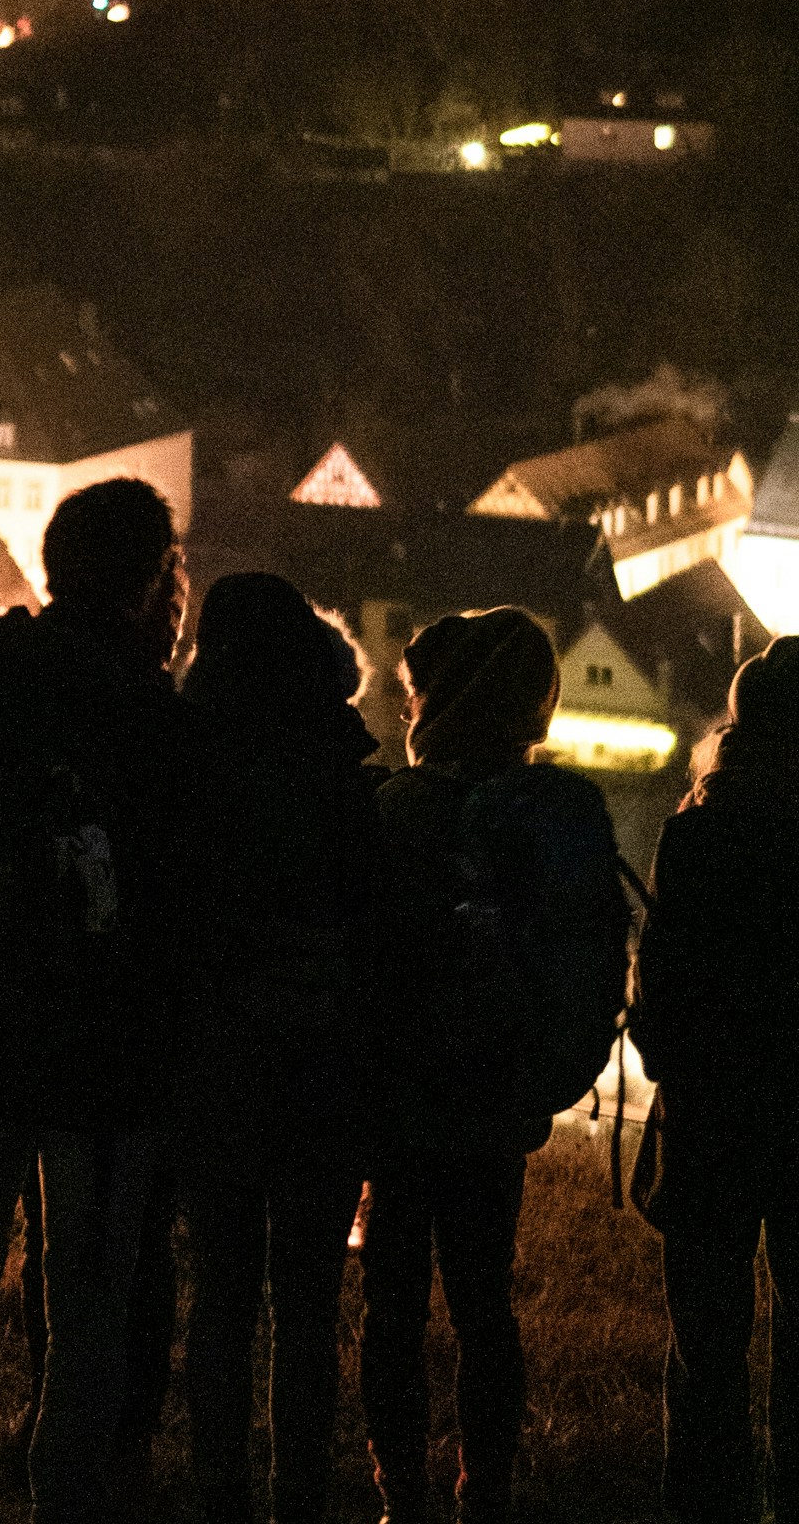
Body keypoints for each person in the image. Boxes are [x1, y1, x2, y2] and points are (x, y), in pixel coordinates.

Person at [0, 473, 199, 1524]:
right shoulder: (157, 721)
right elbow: (190, 906)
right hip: (110, 1066)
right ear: (152, 584)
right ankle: (67, 1500)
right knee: (91, 1306)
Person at [360, 607, 627, 1524]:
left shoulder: (394, 809)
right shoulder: (560, 812)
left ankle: (402, 1495)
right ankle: (489, 1494)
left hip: (396, 1107)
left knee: (392, 1309)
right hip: (496, 1102)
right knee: (486, 1306)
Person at [175, 573, 381, 1524]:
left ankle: (217, 1489)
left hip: (216, 1069)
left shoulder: (186, 761)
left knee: (220, 1295)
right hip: (324, 1070)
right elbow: (376, 932)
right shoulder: (343, 766)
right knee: (306, 1305)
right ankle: (299, 1494)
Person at [630, 633, 799, 1524]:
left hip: (713, 1115)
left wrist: (669, 1053)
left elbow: (663, 984)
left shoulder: (699, 828)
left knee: (706, 1344)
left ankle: (706, 1504)